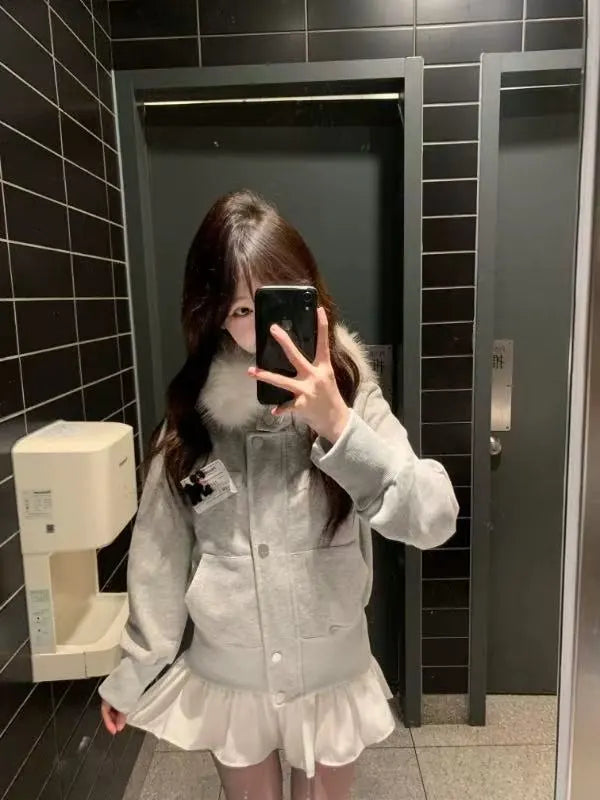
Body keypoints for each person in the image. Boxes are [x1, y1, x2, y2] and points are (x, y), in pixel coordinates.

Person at [99, 190, 459, 800]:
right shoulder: (193, 422)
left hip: (330, 676)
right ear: (214, 313)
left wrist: (339, 427)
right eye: (242, 308)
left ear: (310, 295)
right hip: (230, 677)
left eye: (277, 299)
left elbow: (435, 518)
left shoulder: (354, 398)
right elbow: (159, 552)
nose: (264, 327)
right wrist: (135, 669)